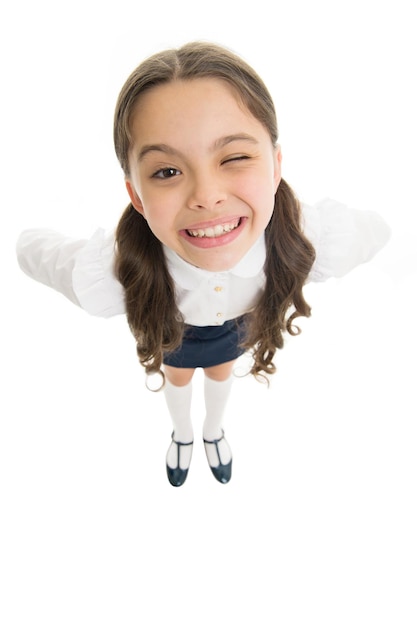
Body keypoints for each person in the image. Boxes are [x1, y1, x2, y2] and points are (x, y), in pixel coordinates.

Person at [16, 41, 391, 487]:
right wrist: (19, 238)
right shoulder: (116, 272)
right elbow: (38, 252)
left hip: (236, 331)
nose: (206, 196)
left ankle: (213, 431)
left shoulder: (311, 239)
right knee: (177, 377)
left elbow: (377, 230)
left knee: (219, 371)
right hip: (172, 330)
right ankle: (183, 434)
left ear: (275, 167)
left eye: (233, 157)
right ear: (136, 195)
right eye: (167, 171)